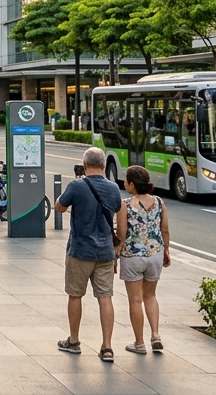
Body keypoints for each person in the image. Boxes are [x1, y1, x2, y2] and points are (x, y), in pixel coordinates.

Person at [55, 147, 123, 362]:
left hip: (79, 251)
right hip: (105, 252)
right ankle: (107, 347)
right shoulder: (113, 188)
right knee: (105, 297)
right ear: (103, 166)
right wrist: (118, 247)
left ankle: (74, 341)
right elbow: (118, 215)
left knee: (75, 295)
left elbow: (59, 208)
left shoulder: (77, 185)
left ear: (84, 165)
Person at [117, 165, 170, 355]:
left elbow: (121, 233)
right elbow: (165, 230)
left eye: (125, 181)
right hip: (155, 255)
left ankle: (139, 343)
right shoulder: (159, 202)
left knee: (135, 300)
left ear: (131, 184)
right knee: (150, 296)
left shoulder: (125, 204)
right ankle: (155, 335)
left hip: (132, 256)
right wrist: (166, 250)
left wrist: (116, 253)